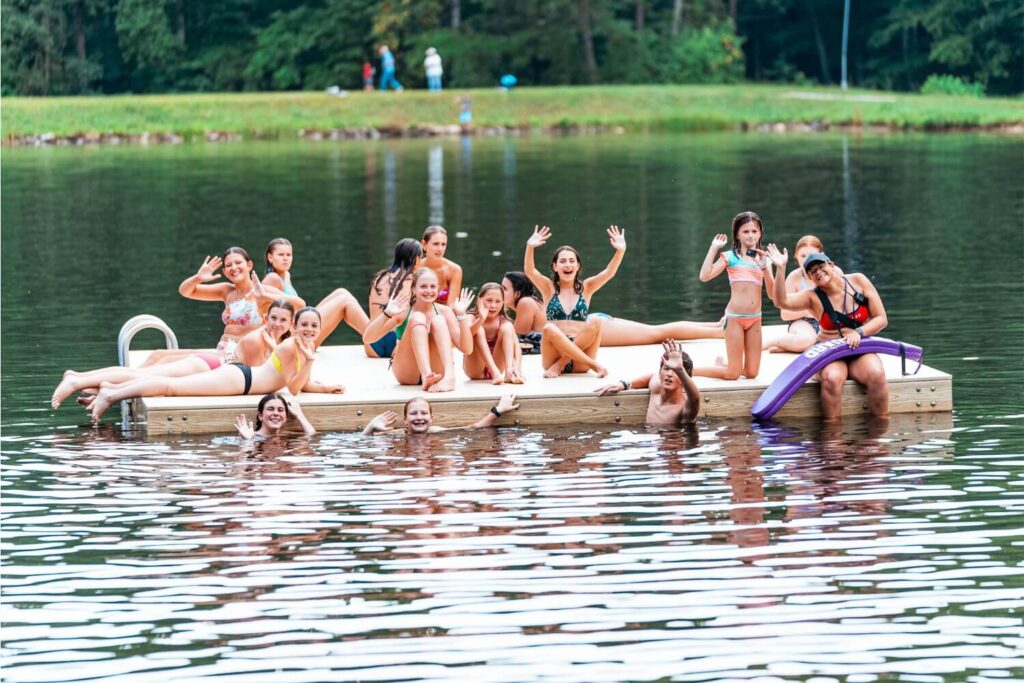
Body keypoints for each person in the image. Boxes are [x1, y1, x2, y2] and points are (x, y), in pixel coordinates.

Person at [87, 307, 344, 422]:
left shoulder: (302, 347)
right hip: (239, 379)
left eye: (314, 325)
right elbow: (295, 387)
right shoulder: (292, 346)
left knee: (171, 384)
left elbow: (300, 381)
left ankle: (108, 388)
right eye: (304, 325)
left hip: (242, 380)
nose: (309, 329)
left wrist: (326, 388)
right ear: (296, 327)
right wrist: (310, 363)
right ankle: (111, 394)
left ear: (320, 328)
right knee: (170, 386)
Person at [51, 301, 297, 409]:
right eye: (273, 318)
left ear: (290, 324)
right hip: (208, 367)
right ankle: (77, 380)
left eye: (283, 320)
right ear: (265, 318)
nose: (277, 324)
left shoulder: (279, 339)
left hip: (215, 369)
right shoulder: (258, 339)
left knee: (141, 376)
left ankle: (96, 387)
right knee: (141, 373)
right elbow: (256, 378)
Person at [767, 246, 890, 419]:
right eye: (812, 271)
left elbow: (881, 318)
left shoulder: (858, 280)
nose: (818, 272)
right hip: (829, 351)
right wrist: (780, 269)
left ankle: (878, 435)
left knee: (876, 374)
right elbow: (781, 301)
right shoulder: (811, 296)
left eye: (820, 266)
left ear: (831, 265)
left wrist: (859, 332)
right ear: (810, 278)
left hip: (858, 347)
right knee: (832, 379)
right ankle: (833, 440)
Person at [142, 247, 304, 367]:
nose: (234, 268)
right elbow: (185, 291)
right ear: (225, 272)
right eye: (229, 265)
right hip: (222, 348)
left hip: (241, 353)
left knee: (166, 361)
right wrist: (198, 278)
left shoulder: (262, 290)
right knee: (158, 355)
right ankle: (127, 384)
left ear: (249, 265)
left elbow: (299, 304)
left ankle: (129, 384)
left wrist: (267, 296)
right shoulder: (226, 291)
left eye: (238, 263)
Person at [524, 224, 622, 378]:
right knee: (548, 328)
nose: (568, 265)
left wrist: (620, 250)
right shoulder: (548, 288)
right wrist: (530, 247)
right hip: (553, 354)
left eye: (571, 261)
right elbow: (530, 271)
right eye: (563, 261)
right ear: (555, 267)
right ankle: (593, 365)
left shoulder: (587, 287)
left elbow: (609, 272)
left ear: (578, 266)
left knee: (595, 320)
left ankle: (561, 365)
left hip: (580, 358)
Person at [693, 212, 776, 380]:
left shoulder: (764, 260)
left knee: (752, 373)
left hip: (755, 319)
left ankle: (724, 363)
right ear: (737, 234)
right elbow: (704, 276)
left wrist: (765, 268)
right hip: (734, 319)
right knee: (733, 374)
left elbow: (773, 295)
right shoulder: (731, 257)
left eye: (754, 231)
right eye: (746, 231)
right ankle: (690, 370)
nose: (750, 235)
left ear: (760, 233)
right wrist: (714, 248)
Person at [362, 268, 474, 392]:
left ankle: (450, 377)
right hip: (407, 372)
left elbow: (467, 349)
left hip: (437, 373)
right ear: (414, 289)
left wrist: (461, 315)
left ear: (438, 289)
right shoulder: (403, 311)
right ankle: (426, 375)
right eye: (423, 286)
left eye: (433, 286)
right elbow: (368, 339)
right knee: (418, 317)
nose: (429, 291)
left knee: (439, 320)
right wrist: (387, 314)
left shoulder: (445, 312)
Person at [763, 235, 843, 354]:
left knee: (839, 340)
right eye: (803, 256)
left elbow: (844, 302)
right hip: (804, 322)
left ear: (821, 255)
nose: (807, 260)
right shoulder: (794, 278)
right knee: (805, 340)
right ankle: (775, 342)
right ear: (796, 257)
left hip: (830, 321)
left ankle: (790, 347)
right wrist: (811, 308)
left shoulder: (834, 272)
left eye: (811, 255)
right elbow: (785, 314)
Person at [594, 340, 701, 425]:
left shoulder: (683, 410)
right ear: (660, 373)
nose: (669, 374)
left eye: (675, 372)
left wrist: (680, 370)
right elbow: (651, 377)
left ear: (684, 379)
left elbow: (695, 399)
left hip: (674, 447)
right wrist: (625, 384)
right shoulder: (657, 386)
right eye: (666, 368)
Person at [365, 238, 422, 358]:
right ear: (415, 258)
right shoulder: (411, 280)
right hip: (395, 342)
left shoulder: (379, 277)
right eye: (420, 257)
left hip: (371, 345)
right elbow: (401, 317)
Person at [363, 393, 520, 435]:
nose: (419, 417)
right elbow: (364, 439)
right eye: (413, 414)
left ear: (431, 419)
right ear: (405, 420)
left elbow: (473, 428)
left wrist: (498, 410)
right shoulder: (398, 434)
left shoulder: (435, 431)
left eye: (424, 413)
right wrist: (370, 427)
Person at [464, 282, 524, 384]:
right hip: (475, 370)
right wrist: (481, 320)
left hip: (498, 365)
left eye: (498, 301)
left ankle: (509, 373)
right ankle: (495, 373)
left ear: (503, 303)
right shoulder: (471, 317)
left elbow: (517, 348)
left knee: (507, 327)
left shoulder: (504, 322)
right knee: (478, 330)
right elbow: (466, 337)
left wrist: (517, 368)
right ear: (480, 300)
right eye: (489, 300)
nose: (493, 305)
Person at [235, 393, 315, 438]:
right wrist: (248, 442)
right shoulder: (251, 436)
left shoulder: (286, 435)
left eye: (280, 410)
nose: (276, 413)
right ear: (260, 416)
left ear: (285, 417)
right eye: (270, 409)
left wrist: (300, 415)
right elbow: (241, 465)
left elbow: (311, 435)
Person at [502, 271, 545, 354]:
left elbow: (517, 337)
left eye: (504, 288)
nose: (499, 291)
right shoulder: (532, 302)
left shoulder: (526, 302)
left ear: (517, 293)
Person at [420, 225, 462, 305]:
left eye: (443, 244)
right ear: (424, 244)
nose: (440, 249)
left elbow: (451, 307)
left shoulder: (454, 270)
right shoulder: (415, 268)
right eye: (436, 244)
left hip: (444, 316)